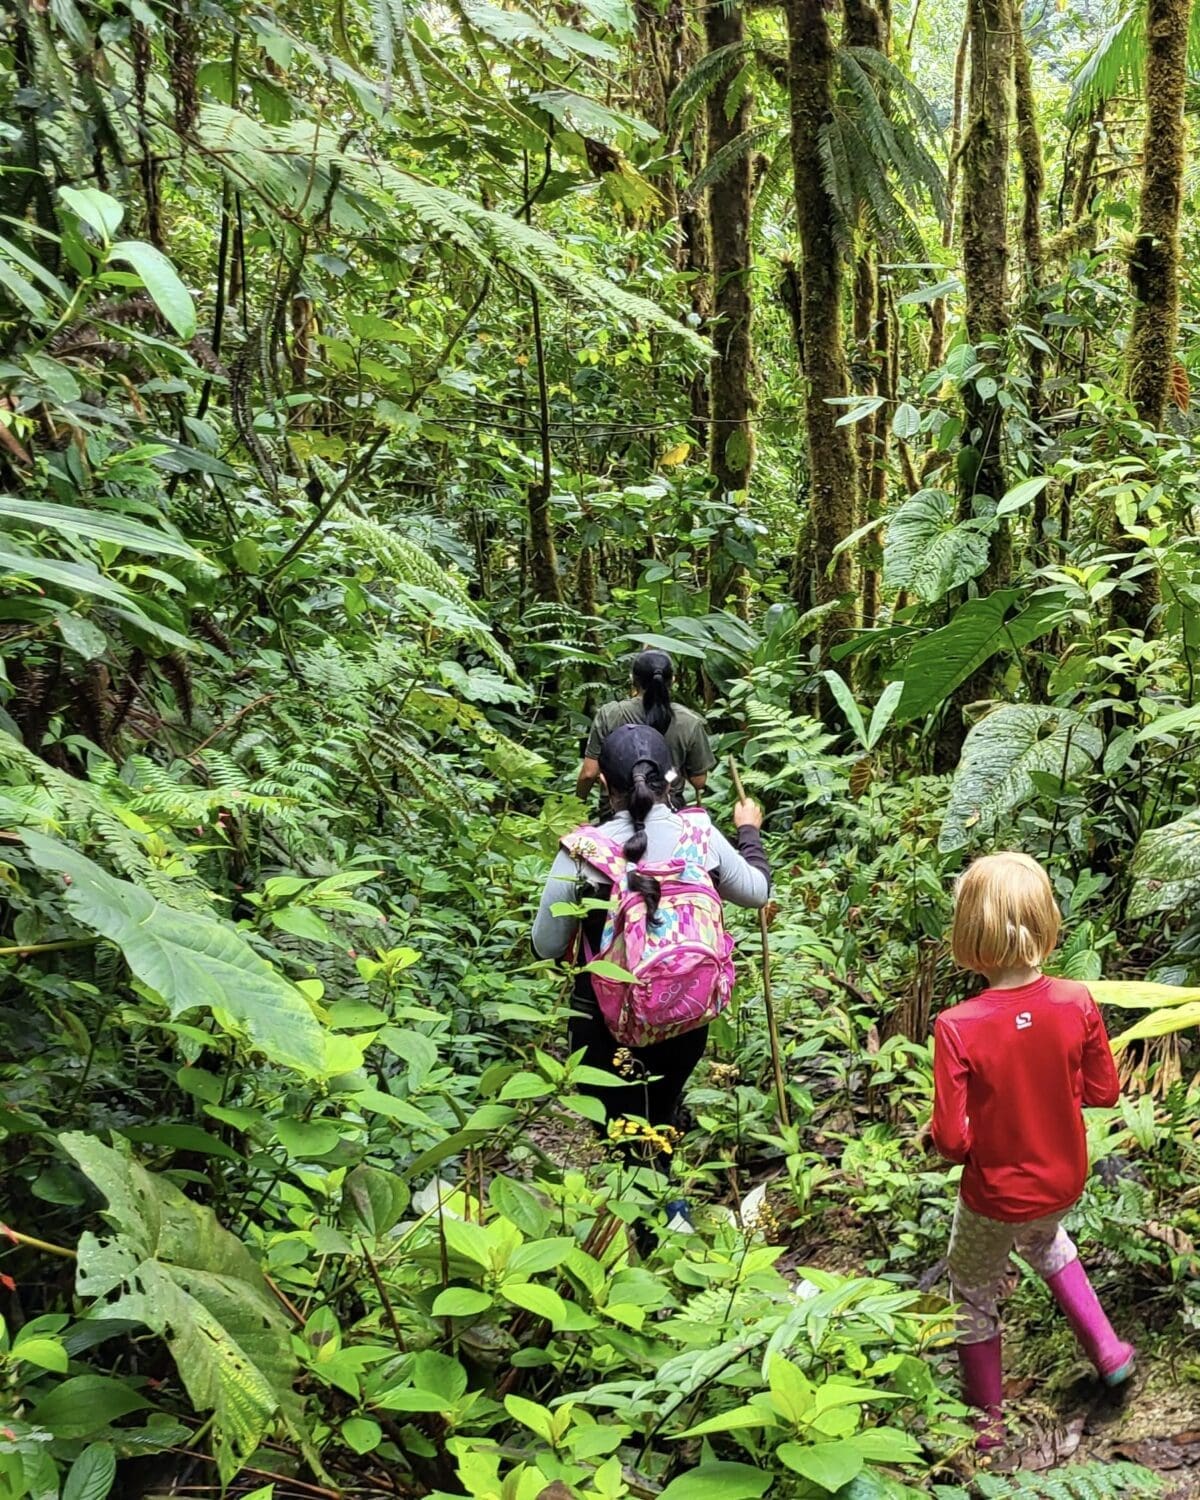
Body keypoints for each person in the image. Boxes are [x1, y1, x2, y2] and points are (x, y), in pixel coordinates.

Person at [930, 852, 1133, 1453]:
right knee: (1048, 1242)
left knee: (971, 1289)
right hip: (1063, 1178)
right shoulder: (1076, 1000)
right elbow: (1103, 1091)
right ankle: (1108, 1350)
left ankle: (987, 1423)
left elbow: (950, 1142)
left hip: (994, 1194)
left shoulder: (957, 1026)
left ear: (970, 937)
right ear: (1045, 923)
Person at [535, 723, 769, 1228]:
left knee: (619, 1122)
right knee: (661, 1106)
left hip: (604, 1019)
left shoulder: (582, 851)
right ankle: (667, 1211)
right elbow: (755, 891)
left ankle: (649, 1221)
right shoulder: (699, 835)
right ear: (674, 779)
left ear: (605, 785)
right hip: (686, 1013)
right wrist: (748, 831)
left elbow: (547, 943)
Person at [576, 650, 716, 807]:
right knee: (672, 773)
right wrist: (671, 773)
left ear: (633, 680)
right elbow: (698, 781)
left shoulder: (610, 714)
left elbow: (589, 774)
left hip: (617, 809)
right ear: (672, 680)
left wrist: (577, 806)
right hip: (667, 808)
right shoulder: (689, 721)